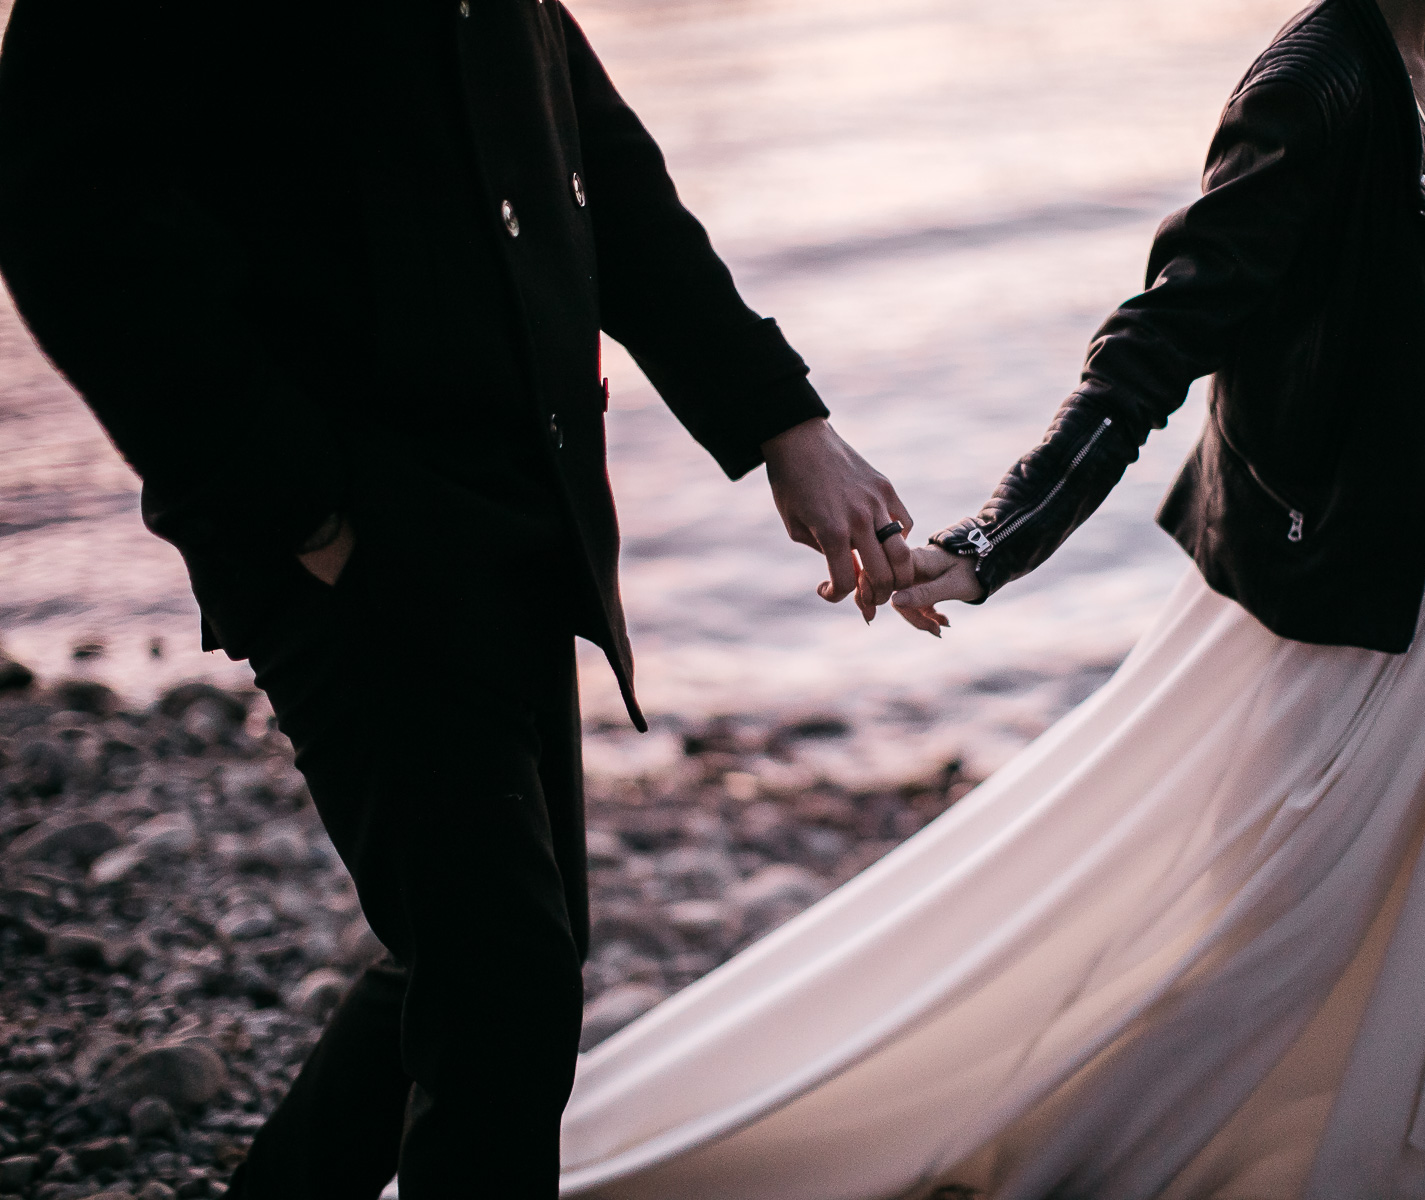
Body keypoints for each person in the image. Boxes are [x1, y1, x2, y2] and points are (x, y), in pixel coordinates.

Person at [541, 0, 1425, 1197]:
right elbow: (1157, 337)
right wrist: (998, 541)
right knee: (1269, 924)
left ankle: (1388, 1147)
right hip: (1334, 585)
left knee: (1399, 898)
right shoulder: (1317, 84)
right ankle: (1072, 1146)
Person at [0, 2, 914, 1198]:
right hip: (347, 534)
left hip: (524, 503)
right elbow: (70, 224)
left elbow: (594, 157)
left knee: (497, 966)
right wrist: (301, 511)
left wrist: (781, 422)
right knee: (501, 988)